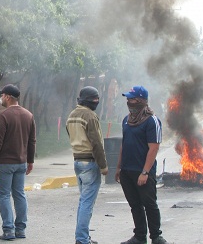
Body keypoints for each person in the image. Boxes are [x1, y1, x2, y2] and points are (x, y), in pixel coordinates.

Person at [116, 86, 168, 244]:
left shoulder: (152, 121)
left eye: (132, 99)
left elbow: (154, 148)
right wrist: (118, 167)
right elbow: (124, 145)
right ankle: (139, 236)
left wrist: (145, 172)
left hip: (143, 172)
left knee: (149, 204)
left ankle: (156, 237)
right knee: (135, 205)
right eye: (128, 99)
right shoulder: (126, 120)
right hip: (127, 171)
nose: (129, 101)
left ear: (141, 101)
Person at [0, 84, 36, 241]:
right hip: (21, 162)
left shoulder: (3, 116)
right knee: (19, 194)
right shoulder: (29, 115)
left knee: (3, 195)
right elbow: (32, 141)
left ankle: (8, 229)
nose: (0, 98)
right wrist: (30, 160)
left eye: (2, 95)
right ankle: (20, 229)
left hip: (4, 164)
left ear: (7, 97)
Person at [66, 86, 108, 244]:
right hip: (90, 163)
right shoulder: (90, 116)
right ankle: (82, 239)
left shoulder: (72, 115)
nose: (97, 102)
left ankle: (83, 236)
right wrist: (103, 166)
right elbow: (96, 143)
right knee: (87, 203)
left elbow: (69, 134)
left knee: (83, 200)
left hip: (77, 161)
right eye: (95, 99)